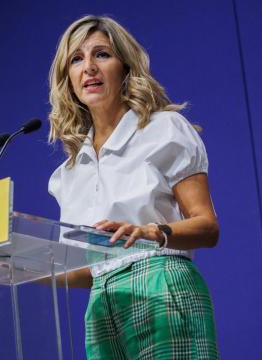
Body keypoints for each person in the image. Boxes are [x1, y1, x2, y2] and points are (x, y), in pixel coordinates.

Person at [47, 15, 219, 359]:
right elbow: (88, 270)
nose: (89, 68)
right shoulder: (67, 173)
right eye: (77, 60)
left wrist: (150, 231)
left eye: (102, 55)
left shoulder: (164, 129)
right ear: (67, 79)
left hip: (161, 285)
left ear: (125, 67)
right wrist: (10, 268)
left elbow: (207, 227)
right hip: (101, 305)